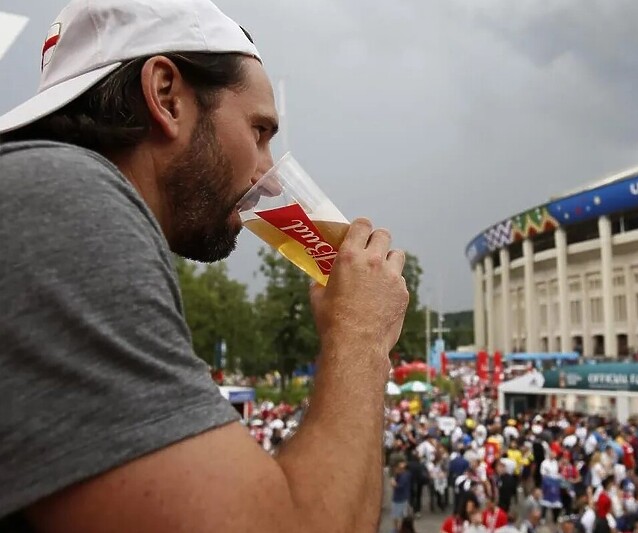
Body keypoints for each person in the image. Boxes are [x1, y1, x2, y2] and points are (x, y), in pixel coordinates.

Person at [0, 0, 410, 531]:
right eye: (260, 132)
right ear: (166, 96)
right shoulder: (63, 196)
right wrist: (360, 334)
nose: (269, 172)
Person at [392, 461, 413, 533]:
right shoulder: (402, 475)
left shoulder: (404, 476)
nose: (396, 470)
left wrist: (394, 484)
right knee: (399, 516)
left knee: (399, 516)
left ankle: (398, 529)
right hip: (401, 498)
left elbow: (399, 486)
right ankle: (397, 529)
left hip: (400, 499)